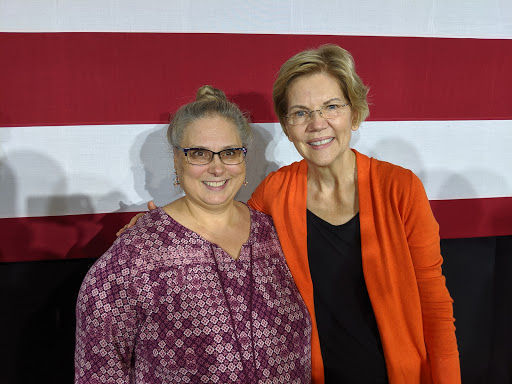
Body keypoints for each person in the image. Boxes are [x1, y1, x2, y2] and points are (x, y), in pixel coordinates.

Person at [120, 45, 461, 383]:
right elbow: (223, 227)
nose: (317, 124)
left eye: (331, 107)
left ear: (354, 113)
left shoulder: (399, 187)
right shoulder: (275, 191)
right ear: (286, 126)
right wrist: (162, 226)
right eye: (300, 113)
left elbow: (435, 307)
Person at [74, 86, 312, 383]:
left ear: (243, 159)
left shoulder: (278, 235)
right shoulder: (135, 255)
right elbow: (100, 369)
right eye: (199, 153)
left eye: (229, 153)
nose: (216, 167)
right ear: (177, 160)